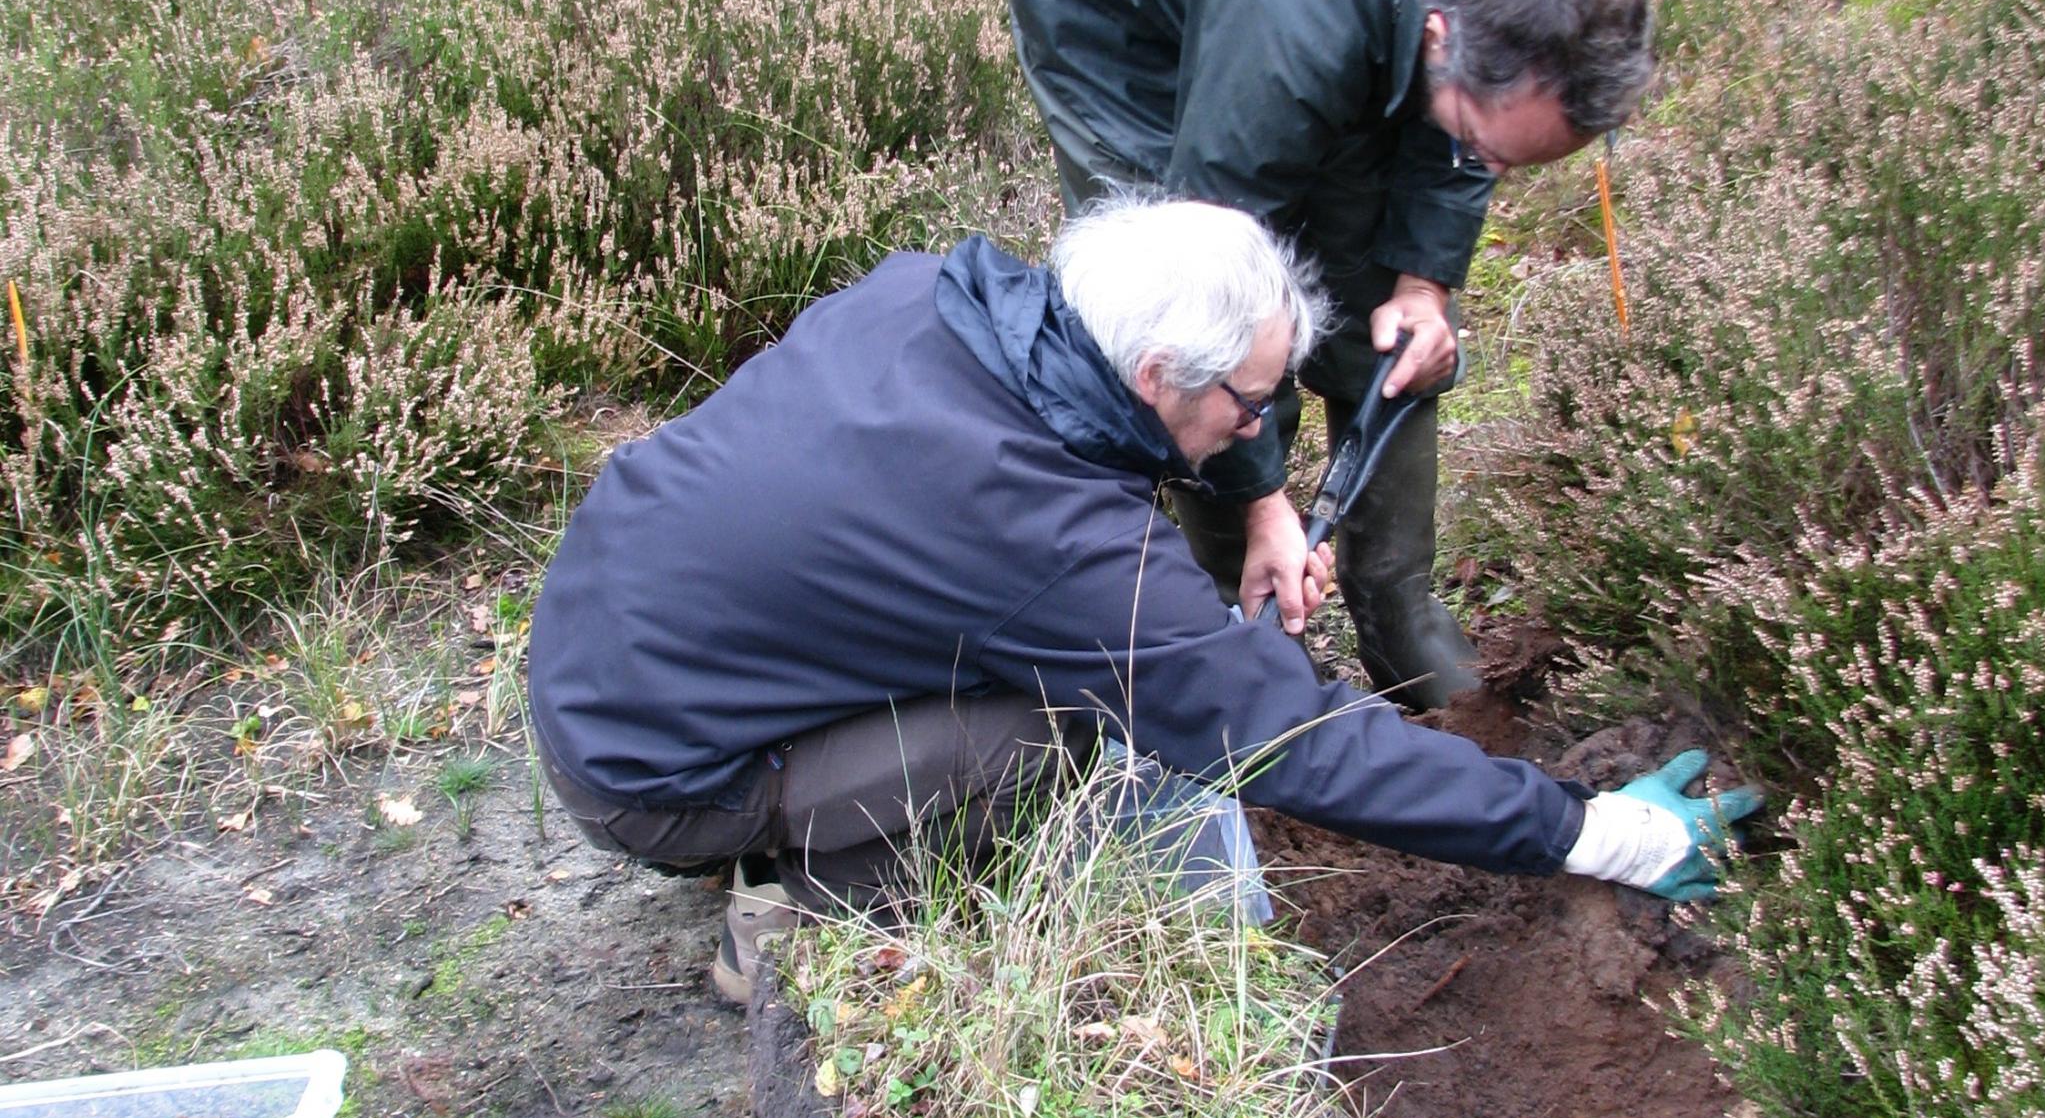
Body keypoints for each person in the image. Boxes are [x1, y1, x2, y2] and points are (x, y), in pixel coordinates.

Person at [525, 198, 1753, 1004]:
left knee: (1037, 675)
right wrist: (1599, 831)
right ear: (1159, 373)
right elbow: (1296, 743)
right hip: (651, 776)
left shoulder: (937, 302)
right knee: (1059, 726)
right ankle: (799, 924)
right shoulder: (1049, 544)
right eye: (1250, 407)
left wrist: (1238, 516)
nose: (1259, 432)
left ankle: (790, 810)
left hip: (603, 646)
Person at [1002, 0, 1654, 710]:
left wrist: (1424, 284)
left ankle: (1399, 612)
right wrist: (1264, 496)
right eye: (1482, 144)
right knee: (1180, 307)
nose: (1486, 165)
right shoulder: (1292, 6)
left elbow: (1460, 143)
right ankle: (1244, 622)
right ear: (1438, 35)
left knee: (1367, 293)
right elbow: (1206, 275)